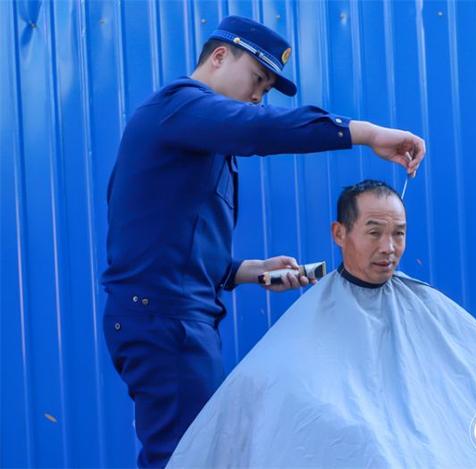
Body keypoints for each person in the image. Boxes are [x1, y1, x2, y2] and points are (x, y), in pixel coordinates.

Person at [101, 15, 426, 468]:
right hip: (164, 319)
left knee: (197, 454)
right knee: (186, 458)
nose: (258, 97)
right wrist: (366, 134)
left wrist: (244, 271)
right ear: (219, 56)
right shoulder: (179, 106)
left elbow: (168, 234)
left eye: (266, 89)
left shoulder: (193, 135)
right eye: (257, 79)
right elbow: (258, 129)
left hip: (174, 317)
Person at [167, 180, 476, 469]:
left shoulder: (426, 307)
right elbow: (263, 390)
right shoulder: (312, 319)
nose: (388, 248)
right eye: (374, 233)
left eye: (398, 234)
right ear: (339, 233)